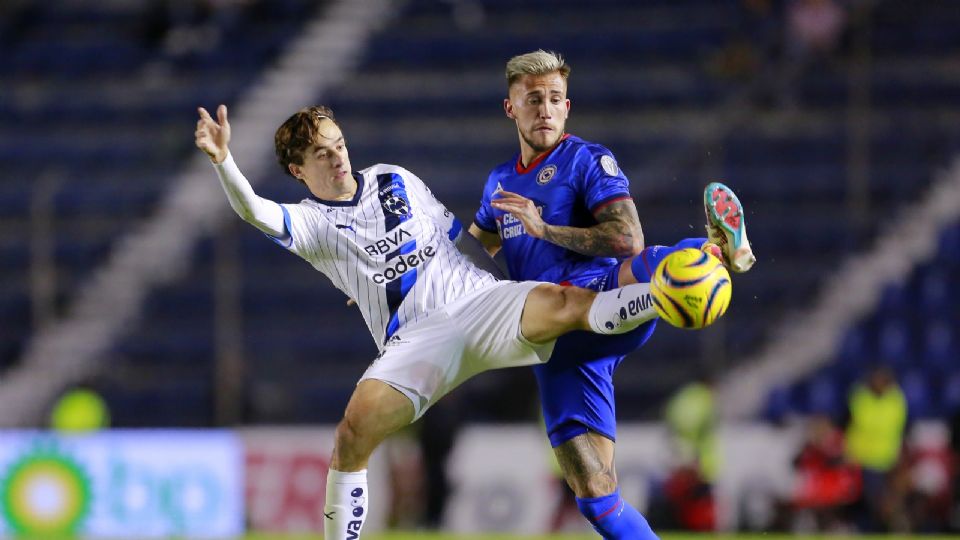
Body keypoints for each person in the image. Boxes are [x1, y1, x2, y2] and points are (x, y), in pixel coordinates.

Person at [195, 103, 665, 540]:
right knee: (352, 435)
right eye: (322, 153)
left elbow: (457, 237)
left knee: (566, 304)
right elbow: (254, 211)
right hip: (415, 341)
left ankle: (662, 293)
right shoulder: (311, 224)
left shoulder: (394, 178)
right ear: (298, 170)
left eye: (339, 144)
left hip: (479, 303)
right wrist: (223, 162)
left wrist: (505, 288)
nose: (338, 157)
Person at [468, 50, 756, 539]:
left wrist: (545, 229)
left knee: (653, 265)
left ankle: (709, 254)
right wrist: (403, 283)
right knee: (596, 497)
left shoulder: (585, 160)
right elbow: (468, 255)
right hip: (558, 352)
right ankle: (697, 262)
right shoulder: (499, 182)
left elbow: (627, 239)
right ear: (509, 107)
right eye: (533, 98)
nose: (545, 108)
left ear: (567, 108)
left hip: (597, 295)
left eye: (555, 99)